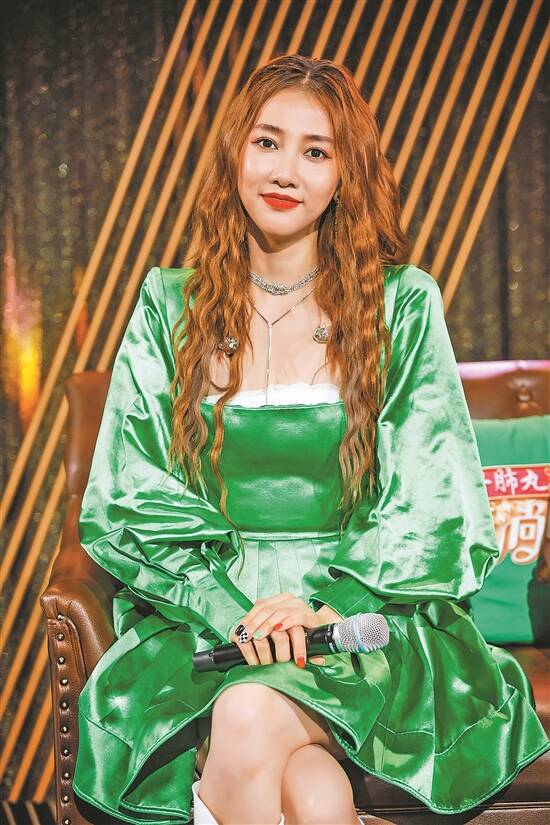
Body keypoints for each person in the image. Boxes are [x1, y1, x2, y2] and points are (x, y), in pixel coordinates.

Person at [72, 54, 550, 825]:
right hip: (205, 620)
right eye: (267, 141)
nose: (285, 170)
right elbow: (127, 494)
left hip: (364, 620)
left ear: (344, 175)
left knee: (249, 713)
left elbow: (434, 504)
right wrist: (231, 610)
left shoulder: (402, 304)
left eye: (315, 151)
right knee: (315, 792)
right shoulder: (169, 305)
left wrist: (325, 607)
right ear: (236, 153)